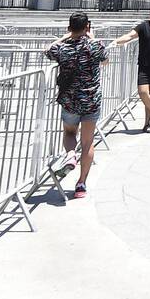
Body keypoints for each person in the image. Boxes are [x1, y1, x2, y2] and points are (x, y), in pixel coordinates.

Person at [44, 12, 109, 199]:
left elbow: (48, 49)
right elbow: (105, 60)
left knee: (70, 132)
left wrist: (66, 36)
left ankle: (71, 154)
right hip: (91, 99)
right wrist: (93, 38)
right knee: (88, 142)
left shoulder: (62, 49)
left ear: (69, 27)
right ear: (87, 27)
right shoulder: (95, 46)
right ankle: (81, 184)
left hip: (70, 99)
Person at [113, 5, 150, 132]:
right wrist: (116, 41)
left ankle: (147, 124)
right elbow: (130, 36)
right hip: (144, 67)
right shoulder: (143, 27)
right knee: (143, 93)